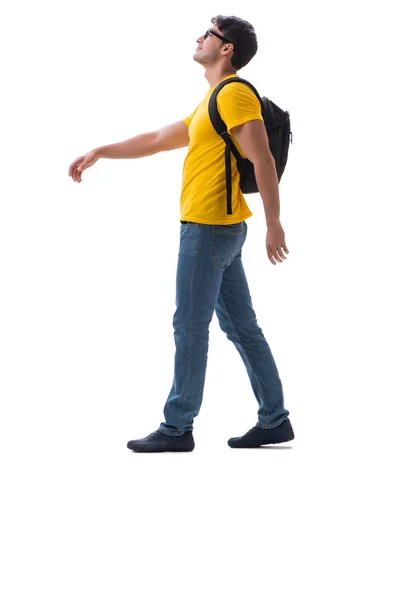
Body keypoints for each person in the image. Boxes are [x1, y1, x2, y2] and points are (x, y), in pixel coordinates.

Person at [68, 15, 294, 452]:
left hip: (209, 228)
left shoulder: (233, 94)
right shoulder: (213, 100)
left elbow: (262, 158)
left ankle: (177, 428)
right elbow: (156, 138)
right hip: (217, 230)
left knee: (190, 326)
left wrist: (275, 221)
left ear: (226, 48)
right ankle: (275, 418)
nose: (199, 36)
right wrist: (101, 152)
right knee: (242, 327)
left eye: (208, 33)